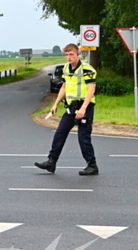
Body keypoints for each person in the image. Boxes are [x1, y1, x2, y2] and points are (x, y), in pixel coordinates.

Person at [35, 44, 99, 176]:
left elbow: (91, 90)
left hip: (84, 106)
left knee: (83, 137)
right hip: (71, 107)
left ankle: (92, 165)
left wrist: (83, 108)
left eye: (71, 55)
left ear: (78, 54)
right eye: (67, 55)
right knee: (60, 133)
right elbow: (64, 87)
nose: (69, 57)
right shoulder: (66, 68)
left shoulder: (87, 69)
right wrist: (55, 104)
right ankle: (51, 162)